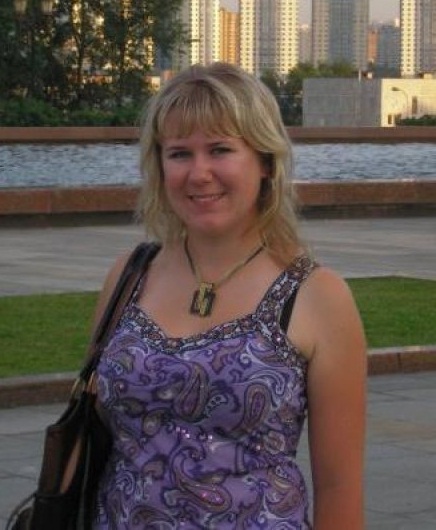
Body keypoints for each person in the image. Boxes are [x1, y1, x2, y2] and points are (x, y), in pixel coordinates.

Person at [92, 62, 367, 529]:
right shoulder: (129, 276)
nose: (199, 174)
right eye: (180, 153)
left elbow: (339, 487)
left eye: (220, 149)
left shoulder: (317, 296)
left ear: (265, 161)